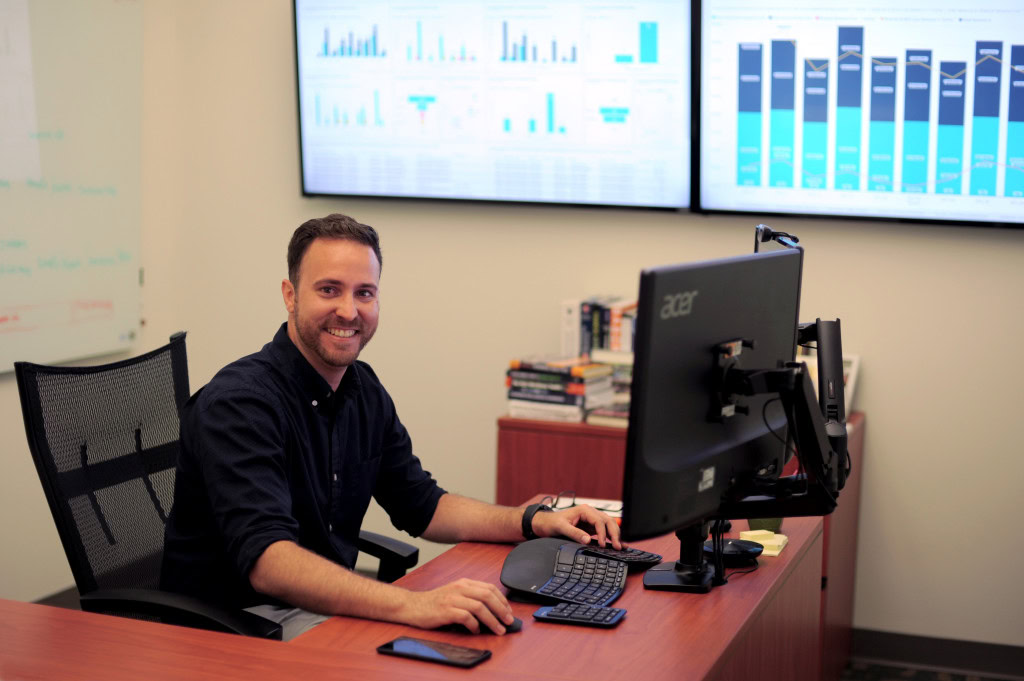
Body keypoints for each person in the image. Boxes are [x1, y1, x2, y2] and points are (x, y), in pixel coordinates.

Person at [162, 213, 621, 640]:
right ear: (289, 294)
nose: (348, 310)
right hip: (236, 629)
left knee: (500, 641)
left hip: (313, 610)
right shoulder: (240, 404)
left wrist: (532, 520)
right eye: (328, 290)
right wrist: (413, 604)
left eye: (364, 293)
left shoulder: (361, 388)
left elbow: (423, 505)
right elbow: (270, 564)